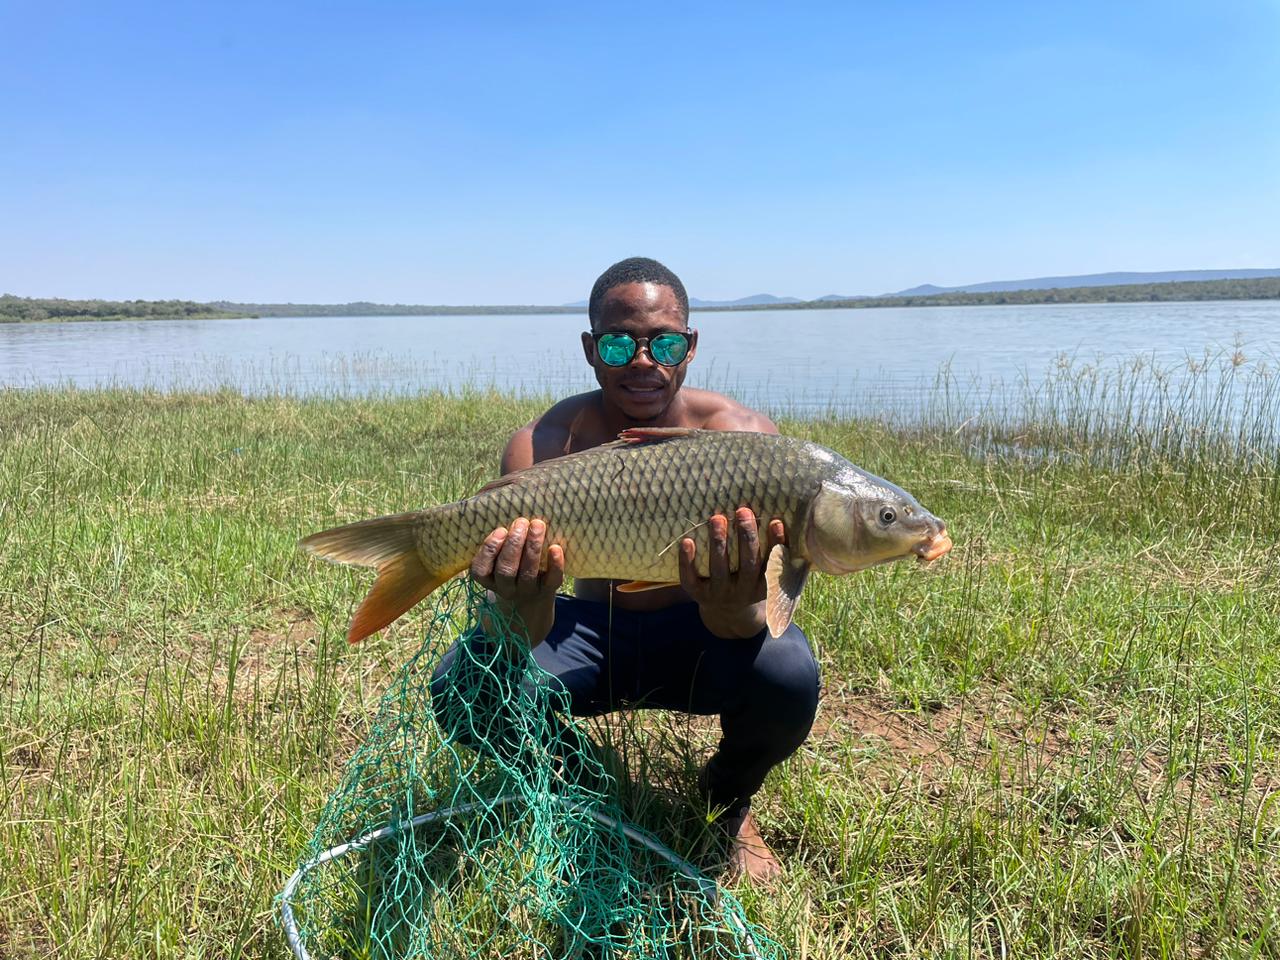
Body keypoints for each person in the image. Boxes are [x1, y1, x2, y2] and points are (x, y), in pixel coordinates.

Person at [432, 256, 821, 884]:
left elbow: (747, 621)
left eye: (663, 342)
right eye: (619, 343)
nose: (643, 361)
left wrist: (727, 598)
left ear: (689, 347)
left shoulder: (746, 438)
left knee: (788, 675)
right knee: (464, 686)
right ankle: (580, 781)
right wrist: (521, 594)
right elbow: (523, 630)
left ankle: (729, 799)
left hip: (702, 629)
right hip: (584, 628)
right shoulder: (544, 442)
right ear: (591, 349)